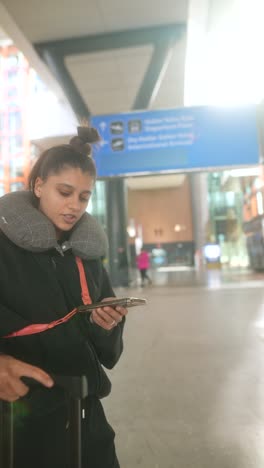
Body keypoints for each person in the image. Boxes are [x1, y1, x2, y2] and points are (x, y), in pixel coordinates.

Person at [0, 126, 128, 468]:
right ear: (38, 185)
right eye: (64, 192)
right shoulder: (4, 247)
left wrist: (107, 326)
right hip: (20, 420)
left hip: (86, 415)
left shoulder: (85, 254)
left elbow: (108, 352)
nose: (74, 206)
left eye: (83, 197)